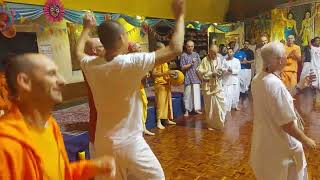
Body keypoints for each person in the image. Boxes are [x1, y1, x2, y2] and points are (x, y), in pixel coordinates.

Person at [76, 0, 185, 178]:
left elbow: (78, 53)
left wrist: (85, 28)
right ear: (121, 39)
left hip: (102, 142)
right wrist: (180, 16)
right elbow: (175, 48)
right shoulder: (130, 63)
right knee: (157, 177)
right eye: (126, 35)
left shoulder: (90, 65)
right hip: (129, 142)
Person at [0, 53, 115, 179]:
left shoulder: (50, 124)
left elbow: (61, 174)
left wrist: (92, 167)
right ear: (24, 82)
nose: (62, 81)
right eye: (51, 74)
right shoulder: (5, 144)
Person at [250, 41, 317, 180]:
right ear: (279, 60)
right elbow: (287, 124)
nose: (287, 58)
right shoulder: (274, 84)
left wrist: (299, 87)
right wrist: (306, 140)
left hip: (265, 143)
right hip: (281, 147)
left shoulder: (257, 79)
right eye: (285, 56)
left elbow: (279, 99)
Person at [82, 38, 104, 156]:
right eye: (102, 46)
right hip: (99, 122)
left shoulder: (95, 63)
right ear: (95, 50)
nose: (106, 47)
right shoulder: (92, 64)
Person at [128, 42, 155, 135]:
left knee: (143, 105)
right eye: (138, 47)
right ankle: (137, 129)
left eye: (140, 47)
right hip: (132, 89)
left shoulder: (139, 59)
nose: (140, 49)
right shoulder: (129, 60)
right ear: (132, 49)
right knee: (136, 108)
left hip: (140, 87)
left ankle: (143, 127)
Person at [197, 45, 226, 130]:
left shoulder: (219, 59)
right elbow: (199, 71)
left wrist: (220, 73)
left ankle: (219, 123)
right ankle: (210, 124)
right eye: (213, 54)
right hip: (208, 87)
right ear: (209, 52)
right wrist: (210, 74)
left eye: (216, 54)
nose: (215, 55)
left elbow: (220, 69)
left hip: (217, 86)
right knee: (210, 107)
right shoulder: (204, 60)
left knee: (222, 104)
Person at [152, 42, 177, 130]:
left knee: (167, 102)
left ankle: (166, 119)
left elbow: (166, 71)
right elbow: (154, 74)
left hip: (166, 83)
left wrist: (170, 74)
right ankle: (159, 121)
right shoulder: (156, 60)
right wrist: (166, 73)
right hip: (160, 84)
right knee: (160, 103)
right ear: (157, 50)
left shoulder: (164, 59)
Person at [180, 40, 202, 117]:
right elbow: (182, 68)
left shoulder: (196, 54)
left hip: (196, 77)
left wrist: (201, 77)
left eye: (192, 46)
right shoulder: (183, 55)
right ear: (186, 46)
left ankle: (196, 109)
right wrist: (191, 64)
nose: (190, 48)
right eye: (188, 46)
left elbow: (200, 66)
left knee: (196, 94)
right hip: (188, 77)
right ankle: (187, 110)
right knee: (187, 94)